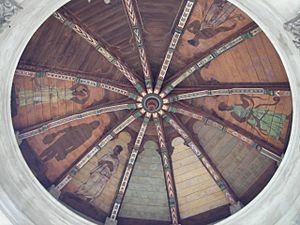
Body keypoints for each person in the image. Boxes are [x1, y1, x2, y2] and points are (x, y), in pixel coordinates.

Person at [218, 95, 289, 141]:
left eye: (224, 104)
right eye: (224, 106)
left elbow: (245, 105)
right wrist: (248, 116)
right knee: (266, 126)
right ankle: (279, 138)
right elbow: (240, 120)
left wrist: (243, 98)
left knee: (268, 115)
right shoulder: (232, 113)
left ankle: (285, 118)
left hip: (254, 111)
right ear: (224, 109)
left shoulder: (234, 105)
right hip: (251, 118)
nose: (225, 105)